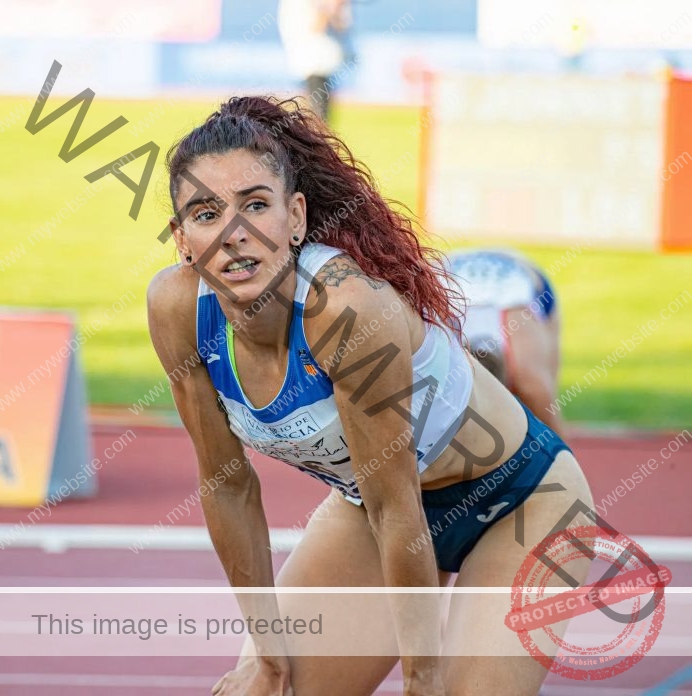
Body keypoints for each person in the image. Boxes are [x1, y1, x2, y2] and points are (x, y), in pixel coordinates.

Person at [148, 96, 594, 696]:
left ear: (297, 217)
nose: (234, 234)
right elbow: (226, 485)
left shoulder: (344, 309)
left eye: (256, 205)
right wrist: (269, 652)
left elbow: (396, 502)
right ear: (181, 236)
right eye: (206, 213)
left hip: (520, 501)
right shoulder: (177, 310)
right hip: (373, 510)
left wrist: (423, 676)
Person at [446, 249, 564, 437]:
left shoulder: (529, 379)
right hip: (450, 271)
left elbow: (556, 438)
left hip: (521, 273)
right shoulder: (439, 347)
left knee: (541, 394)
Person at [278, 0, 352, 122]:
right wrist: (329, 8)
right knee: (319, 115)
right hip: (315, 63)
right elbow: (317, 26)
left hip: (319, 63)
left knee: (319, 112)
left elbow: (341, 26)